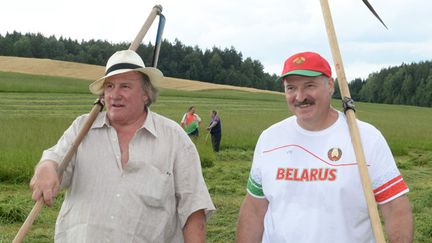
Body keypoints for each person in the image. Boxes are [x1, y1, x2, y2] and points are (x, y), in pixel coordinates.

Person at [30, 50, 215, 242]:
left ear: (146, 93)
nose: (114, 95)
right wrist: (46, 168)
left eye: (125, 86)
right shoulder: (82, 128)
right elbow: (55, 160)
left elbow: (194, 211)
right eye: (109, 86)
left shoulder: (174, 138)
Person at [236, 52, 413, 243]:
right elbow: (254, 209)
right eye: (291, 88)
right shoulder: (269, 139)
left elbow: (396, 209)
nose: (300, 96)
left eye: (309, 86)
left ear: (330, 85)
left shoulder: (365, 138)